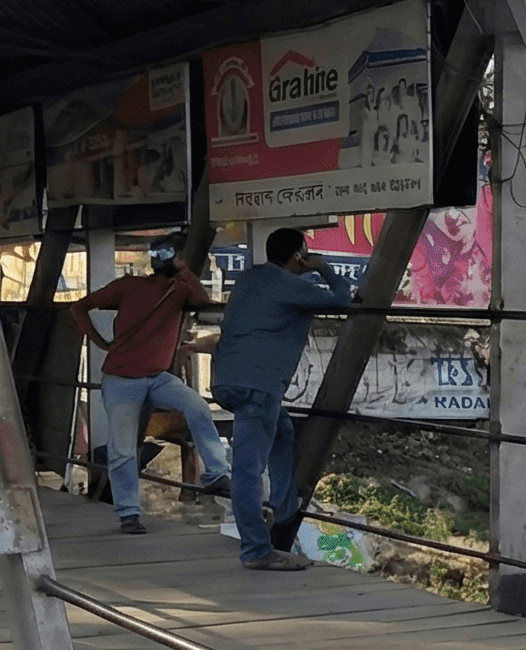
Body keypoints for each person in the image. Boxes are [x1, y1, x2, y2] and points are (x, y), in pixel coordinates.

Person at [65, 234, 231, 536]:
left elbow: (202, 302)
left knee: (194, 407)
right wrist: (100, 341)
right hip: (128, 378)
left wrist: (100, 341)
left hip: (151, 377)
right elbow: (80, 307)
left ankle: (215, 474)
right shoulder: (136, 287)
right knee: (124, 447)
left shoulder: (168, 290)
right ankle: (129, 512)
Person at [211, 228, 354, 572]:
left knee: (282, 431)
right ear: (298, 256)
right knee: (247, 470)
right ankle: (256, 550)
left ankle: (284, 507)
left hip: (226, 379)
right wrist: (322, 267)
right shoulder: (292, 286)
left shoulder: (250, 278)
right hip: (258, 387)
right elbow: (342, 297)